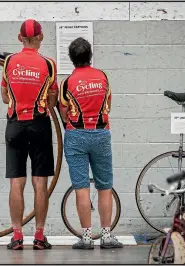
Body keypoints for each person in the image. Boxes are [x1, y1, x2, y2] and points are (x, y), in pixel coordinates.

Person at [58, 37, 123, 250]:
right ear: (90, 56)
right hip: (101, 134)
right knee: (105, 187)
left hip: (76, 136)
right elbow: (109, 106)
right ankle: (106, 235)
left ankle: (86, 237)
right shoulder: (103, 77)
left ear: (71, 59)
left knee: (82, 187)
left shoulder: (67, 82)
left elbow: (65, 113)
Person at [0, 19, 58, 250]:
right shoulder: (49, 64)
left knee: (17, 182)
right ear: (41, 37)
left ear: (19, 37)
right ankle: (40, 236)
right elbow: (53, 101)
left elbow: (5, 97)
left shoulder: (9, 62)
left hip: (15, 125)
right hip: (39, 124)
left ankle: (16, 236)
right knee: (40, 183)